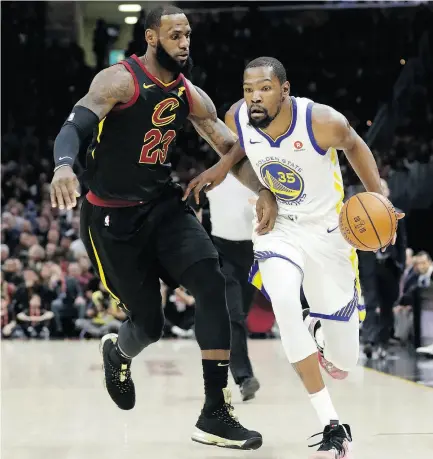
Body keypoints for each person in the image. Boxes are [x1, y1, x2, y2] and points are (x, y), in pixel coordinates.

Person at [50, 6, 278, 450]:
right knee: (149, 325)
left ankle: (215, 413)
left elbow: (229, 149)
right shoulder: (119, 80)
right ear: (152, 37)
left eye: (188, 35)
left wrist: (265, 189)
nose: (184, 43)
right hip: (111, 218)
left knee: (212, 282)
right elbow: (73, 126)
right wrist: (63, 167)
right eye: (175, 35)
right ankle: (118, 352)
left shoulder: (191, 95)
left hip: (163, 205)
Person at [185, 56, 404, 458]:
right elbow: (239, 145)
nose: (255, 97)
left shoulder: (321, 121)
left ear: (284, 90)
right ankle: (331, 425)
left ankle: (319, 330)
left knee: (344, 362)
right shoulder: (240, 115)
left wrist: (381, 199)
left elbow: (355, 145)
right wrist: (225, 167)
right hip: (279, 227)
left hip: (329, 233)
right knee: (283, 301)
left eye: (264, 88)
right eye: (248, 89)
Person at [193, 174, 261, 401]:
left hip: (254, 252)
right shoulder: (213, 177)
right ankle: (244, 378)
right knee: (234, 316)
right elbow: (193, 208)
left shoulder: (258, 174)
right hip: (223, 253)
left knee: (241, 313)